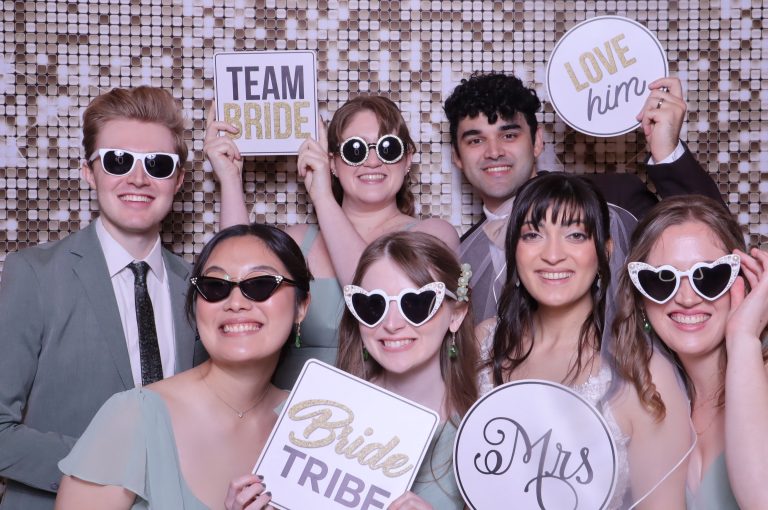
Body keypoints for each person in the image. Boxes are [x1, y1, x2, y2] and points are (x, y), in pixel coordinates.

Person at [0, 86, 206, 510]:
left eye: (158, 164)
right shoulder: (34, 276)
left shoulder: (198, 290)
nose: (138, 178)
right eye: (117, 160)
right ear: (89, 172)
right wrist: (115, 470)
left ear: (179, 179)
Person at [206, 95, 459, 389]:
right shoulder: (299, 242)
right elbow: (237, 279)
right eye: (355, 150)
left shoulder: (434, 235)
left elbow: (373, 294)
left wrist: (323, 197)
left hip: (389, 417)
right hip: (293, 414)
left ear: (408, 160)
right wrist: (230, 178)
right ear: (333, 163)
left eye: (388, 149)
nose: (373, 160)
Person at [54, 223, 312, 510]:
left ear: (302, 306)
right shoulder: (133, 417)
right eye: (216, 287)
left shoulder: (318, 425)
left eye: (261, 284)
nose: (236, 302)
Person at [478, 173, 693, 508]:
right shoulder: (483, 344)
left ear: (605, 252)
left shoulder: (642, 373)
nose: (553, 255)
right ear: (514, 251)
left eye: (575, 235)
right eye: (533, 234)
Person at [444, 72, 725, 322]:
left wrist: (667, 151)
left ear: (538, 141)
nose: (494, 151)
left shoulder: (614, 199)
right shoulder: (460, 258)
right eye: (476, 140)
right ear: (457, 156)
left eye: (508, 135)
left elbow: (717, 245)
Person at [615, 196, 768, 509]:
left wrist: (743, 338)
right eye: (661, 281)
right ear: (640, 300)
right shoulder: (649, 404)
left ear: (742, 281)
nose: (686, 298)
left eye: (709, 276)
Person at [336, 231, 477, 509]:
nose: (391, 324)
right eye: (373, 306)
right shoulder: (322, 415)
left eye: (415, 303)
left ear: (456, 315)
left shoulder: (486, 432)